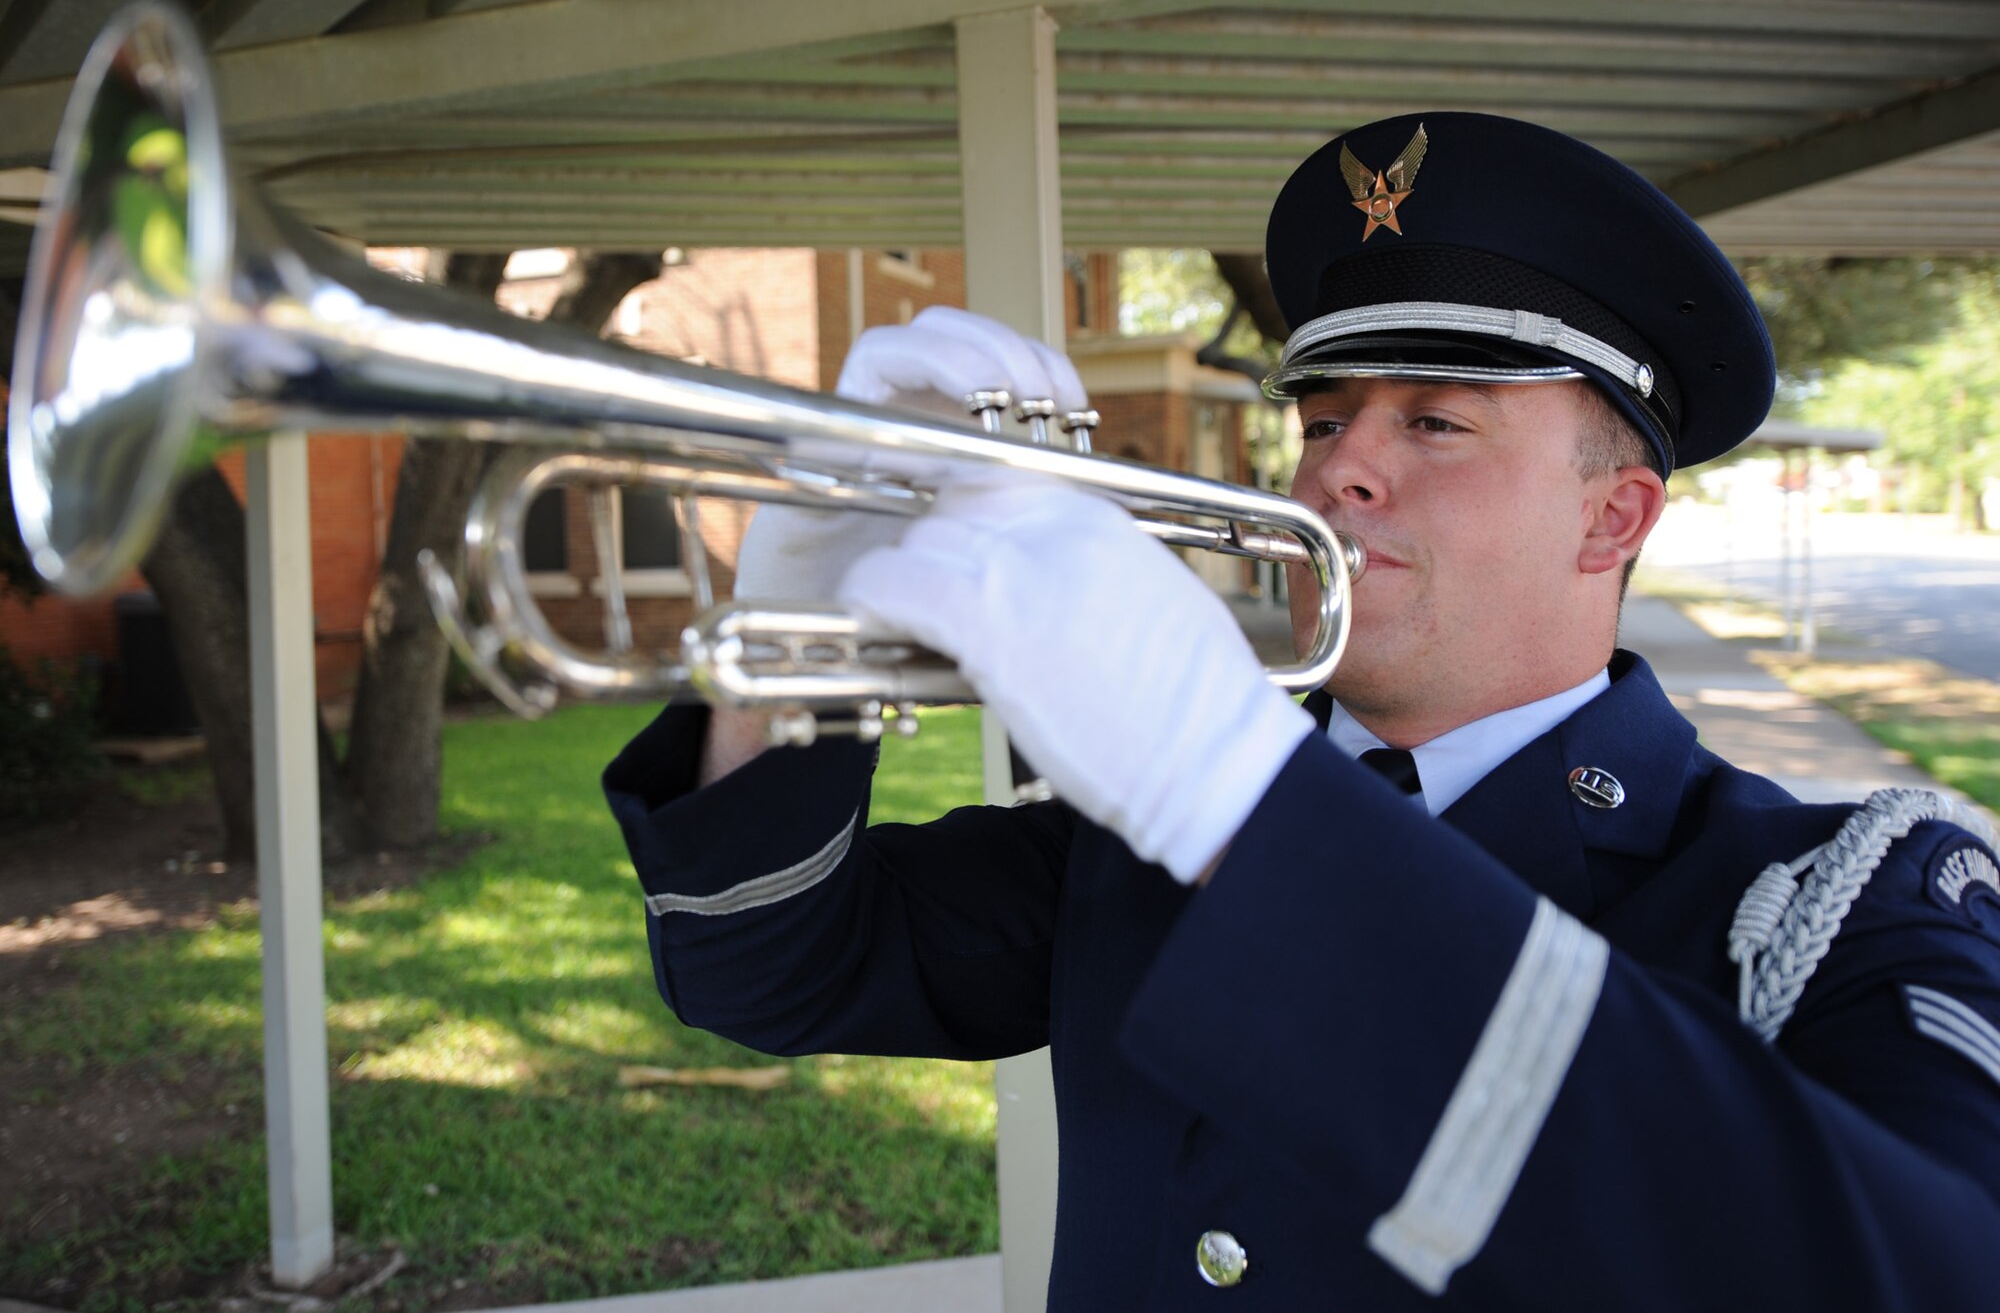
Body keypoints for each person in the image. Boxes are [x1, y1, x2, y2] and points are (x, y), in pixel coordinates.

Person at [604, 113, 2000, 1309]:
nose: (1341, 474)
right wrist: (802, 631)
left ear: (1613, 515)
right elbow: (759, 966)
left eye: (1434, 422)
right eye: (1327, 420)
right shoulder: (1138, 836)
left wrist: (1239, 794)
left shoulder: (1833, 904)